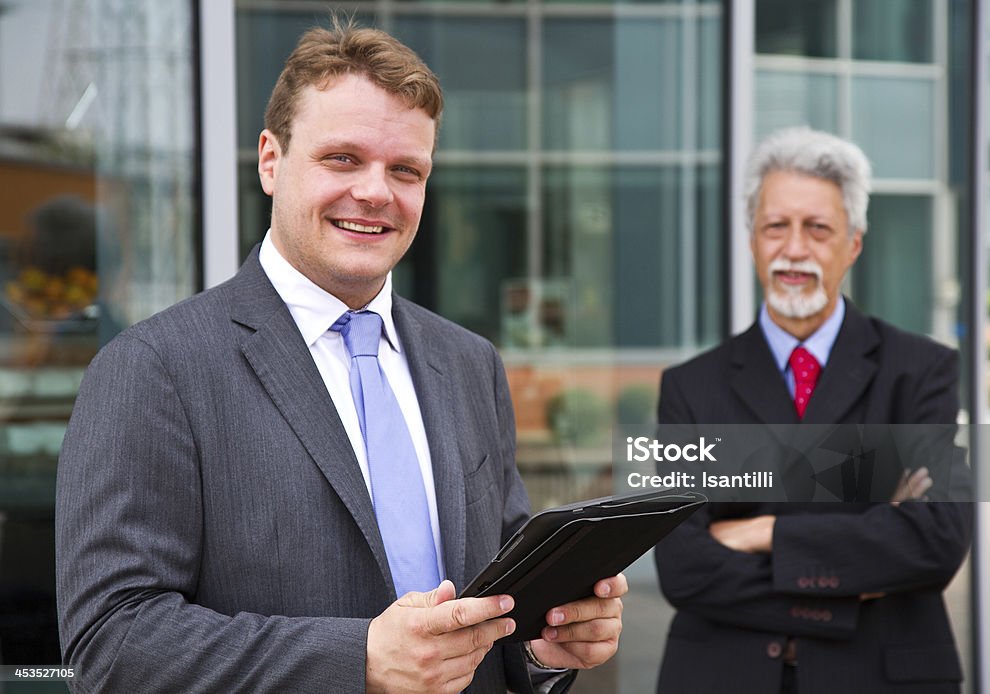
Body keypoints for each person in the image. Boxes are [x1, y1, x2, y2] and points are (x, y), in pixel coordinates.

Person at [55, 19, 625, 693]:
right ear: (271, 160)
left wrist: (546, 643)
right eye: (343, 159)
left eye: (405, 169)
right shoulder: (154, 370)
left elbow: (498, 607)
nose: (377, 192)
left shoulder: (468, 363)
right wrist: (356, 659)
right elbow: (110, 642)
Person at [653, 127, 972, 693]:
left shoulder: (921, 371)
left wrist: (761, 531)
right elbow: (684, 566)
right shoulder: (689, 388)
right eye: (777, 226)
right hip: (725, 677)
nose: (794, 249)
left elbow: (937, 540)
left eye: (818, 228)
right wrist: (853, 580)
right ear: (752, 239)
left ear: (853, 244)